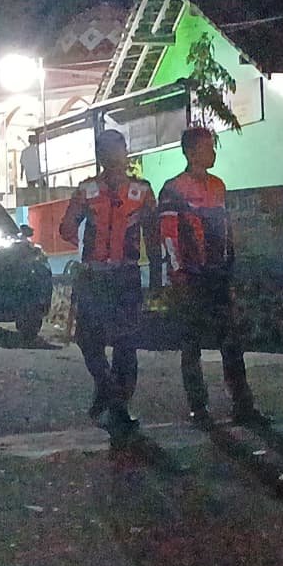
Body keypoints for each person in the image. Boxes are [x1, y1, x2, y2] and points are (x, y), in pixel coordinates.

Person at [158, 127, 266, 429]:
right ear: (191, 152)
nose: (213, 153)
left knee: (231, 342)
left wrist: (231, 266)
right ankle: (199, 408)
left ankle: (242, 404)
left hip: (218, 276)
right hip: (190, 279)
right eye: (207, 147)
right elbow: (168, 236)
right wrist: (178, 274)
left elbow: (227, 230)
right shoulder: (173, 189)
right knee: (191, 345)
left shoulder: (218, 186)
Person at [59, 129, 161, 443]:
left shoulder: (139, 191)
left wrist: (156, 275)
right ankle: (109, 392)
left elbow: (153, 236)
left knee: (121, 345)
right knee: (95, 340)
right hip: (100, 275)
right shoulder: (91, 191)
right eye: (112, 150)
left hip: (119, 276)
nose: (117, 156)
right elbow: (67, 228)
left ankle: (116, 404)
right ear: (103, 156)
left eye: (118, 150)